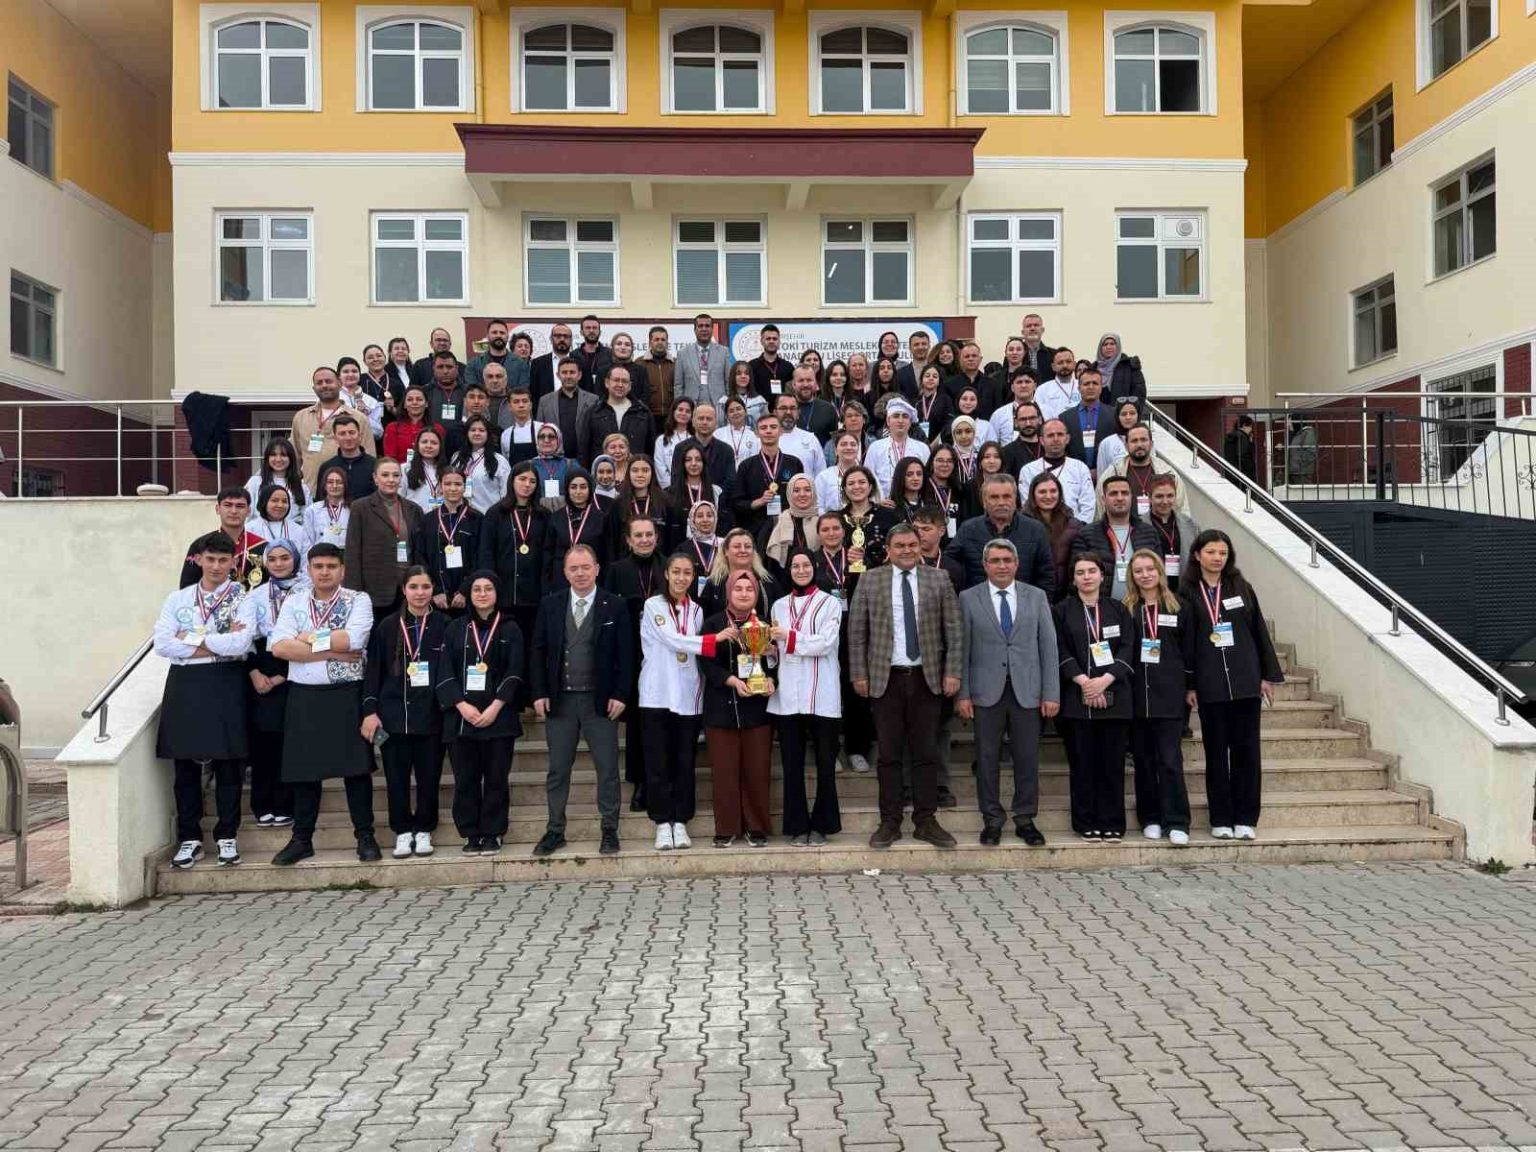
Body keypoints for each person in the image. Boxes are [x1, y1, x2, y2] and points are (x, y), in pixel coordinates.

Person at [847, 523, 964, 849]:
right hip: (886, 679)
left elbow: (954, 631)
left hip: (927, 678)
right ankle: (890, 821)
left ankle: (926, 820)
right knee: (888, 754)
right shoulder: (871, 579)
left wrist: (953, 672)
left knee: (926, 752)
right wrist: (859, 674)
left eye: (912, 544)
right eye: (899, 545)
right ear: (888, 549)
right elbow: (856, 632)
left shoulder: (939, 579)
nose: (907, 550)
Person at [268, 542, 378, 865]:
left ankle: (365, 836)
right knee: (305, 771)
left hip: (346, 693)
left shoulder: (358, 599)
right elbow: (279, 647)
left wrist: (306, 638)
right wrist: (331, 651)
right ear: (309, 570)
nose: (325, 572)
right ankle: (302, 839)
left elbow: (353, 640)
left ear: (342, 570)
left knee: (356, 770)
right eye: (318, 567)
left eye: (331, 566)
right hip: (304, 695)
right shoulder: (295, 600)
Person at [154, 532, 253, 869]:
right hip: (186, 683)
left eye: (223, 560)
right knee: (184, 765)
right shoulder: (177, 599)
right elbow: (163, 643)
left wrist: (191, 640)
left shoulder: (242, 598)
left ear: (233, 562)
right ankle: (190, 838)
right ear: (198, 560)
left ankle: (227, 835)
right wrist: (216, 642)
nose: (216, 566)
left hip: (226, 681)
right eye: (210, 559)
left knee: (229, 764)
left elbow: (240, 644)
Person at [1179, 529, 1285, 840]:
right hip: (1210, 684)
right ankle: (1221, 818)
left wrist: (1267, 676)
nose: (1217, 558)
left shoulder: (1241, 587)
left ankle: (1246, 818)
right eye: (1211, 552)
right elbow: (1185, 642)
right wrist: (1190, 684)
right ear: (1197, 555)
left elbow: (1258, 631)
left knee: (1247, 753)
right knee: (1216, 754)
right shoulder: (1186, 591)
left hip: (1245, 681)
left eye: (1223, 553)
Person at [530, 546, 633, 858]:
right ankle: (555, 830)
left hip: (599, 702)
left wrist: (621, 694)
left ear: (597, 569)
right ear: (565, 572)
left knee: (607, 769)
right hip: (561, 702)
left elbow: (627, 654)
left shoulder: (615, 605)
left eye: (585, 567)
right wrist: (539, 692)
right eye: (573, 568)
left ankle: (609, 830)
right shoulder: (550, 604)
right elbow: (538, 651)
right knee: (558, 770)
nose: (580, 573)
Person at [955, 538, 1059, 846]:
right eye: (995, 561)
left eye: (1007, 560)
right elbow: (963, 649)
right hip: (985, 692)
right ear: (985, 565)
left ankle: (1025, 819)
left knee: (1027, 757)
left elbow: (1048, 647)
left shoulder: (1036, 596)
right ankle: (992, 819)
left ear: (1016, 564)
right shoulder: (968, 598)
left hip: (1028, 690)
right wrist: (963, 693)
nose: (1001, 566)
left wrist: (1051, 693)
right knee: (986, 758)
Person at [362, 566, 450, 859]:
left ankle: (424, 828)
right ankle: (402, 830)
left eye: (425, 587)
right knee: (396, 778)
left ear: (433, 589)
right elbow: (373, 673)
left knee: (429, 776)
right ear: (404, 590)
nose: (420, 593)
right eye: (413, 587)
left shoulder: (446, 625)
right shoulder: (387, 626)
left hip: (432, 717)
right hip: (393, 717)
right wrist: (370, 710)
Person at [436, 571, 524, 855]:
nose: (483, 594)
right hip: (462, 718)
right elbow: (444, 672)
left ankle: (493, 832)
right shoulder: (455, 628)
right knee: (466, 780)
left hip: (499, 716)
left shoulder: (511, 628)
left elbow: (515, 671)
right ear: (470, 595)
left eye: (488, 588)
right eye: (477, 589)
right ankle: (470, 833)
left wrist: (496, 706)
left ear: (497, 593)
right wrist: (461, 705)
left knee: (497, 779)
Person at [637, 552, 715, 850]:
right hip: (657, 694)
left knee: (685, 761)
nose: (682, 578)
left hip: (687, 694)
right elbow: (672, 640)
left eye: (687, 573)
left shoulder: (697, 610)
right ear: (667, 574)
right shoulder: (653, 605)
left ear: (693, 577)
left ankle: (681, 821)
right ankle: (661, 822)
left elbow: (691, 651)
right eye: (677, 572)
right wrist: (713, 641)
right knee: (657, 762)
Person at [1054, 554, 1133, 841]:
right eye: (1080, 572)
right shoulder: (1061, 611)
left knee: (1112, 766)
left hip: (1116, 697)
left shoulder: (1119, 609)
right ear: (1073, 579)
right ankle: (1085, 822)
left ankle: (1112, 822)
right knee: (1082, 766)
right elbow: (1060, 649)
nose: (1086, 577)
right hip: (1077, 698)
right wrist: (1086, 683)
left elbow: (1128, 648)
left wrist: (1104, 681)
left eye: (1091, 571)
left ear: (1102, 575)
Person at [698, 571, 778, 848]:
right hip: (721, 708)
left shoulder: (764, 625)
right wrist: (731, 680)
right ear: (728, 593)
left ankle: (756, 826)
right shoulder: (713, 624)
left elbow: (775, 662)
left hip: (756, 709)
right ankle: (727, 827)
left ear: (756, 594)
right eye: (738, 589)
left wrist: (771, 680)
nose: (744, 594)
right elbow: (705, 663)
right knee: (724, 771)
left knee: (757, 770)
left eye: (749, 589)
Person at [769, 550, 842, 845]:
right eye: (795, 566)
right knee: (792, 764)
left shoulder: (830, 603)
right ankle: (797, 825)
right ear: (789, 570)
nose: (801, 570)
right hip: (788, 693)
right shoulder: (778, 605)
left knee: (825, 763)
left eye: (806, 565)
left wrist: (787, 638)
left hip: (822, 691)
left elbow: (825, 643)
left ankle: (823, 824)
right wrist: (769, 650)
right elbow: (776, 651)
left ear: (815, 567)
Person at [1124, 550, 1194, 846]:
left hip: (1170, 696)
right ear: (1131, 575)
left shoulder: (1179, 607)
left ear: (1160, 571)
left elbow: (1190, 651)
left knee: (1169, 760)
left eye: (1150, 569)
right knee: (1143, 761)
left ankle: (1177, 821)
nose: (1145, 575)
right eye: (1138, 570)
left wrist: (1191, 687)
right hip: (1137, 696)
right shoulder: (1127, 609)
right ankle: (1150, 818)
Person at [239, 538, 304, 830]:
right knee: (263, 743)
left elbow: (311, 637)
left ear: (295, 560)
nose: (278, 564)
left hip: (295, 671)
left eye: (285, 558)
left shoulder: (307, 592)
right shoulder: (255, 595)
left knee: (289, 743)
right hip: (261, 675)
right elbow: (246, 638)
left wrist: (283, 675)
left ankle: (285, 804)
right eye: (273, 559)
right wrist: (254, 672)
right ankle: (262, 804)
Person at [603, 515, 667, 810]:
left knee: (662, 719)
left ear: (656, 537)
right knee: (638, 723)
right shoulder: (616, 570)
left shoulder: (669, 566)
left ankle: (663, 780)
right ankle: (640, 782)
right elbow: (608, 613)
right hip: (631, 653)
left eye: (649, 534)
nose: (644, 540)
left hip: (664, 653)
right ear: (628, 540)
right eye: (638, 535)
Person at [478, 460, 549, 688]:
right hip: (504, 596)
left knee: (531, 648)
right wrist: (490, 590)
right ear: (512, 481)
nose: (527, 485)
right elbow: (486, 553)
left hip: (534, 597)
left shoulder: (543, 515)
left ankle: (530, 695)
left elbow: (547, 556)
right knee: (504, 648)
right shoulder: (495, 513)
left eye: (532, 481)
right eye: (522, 479)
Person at [945, 473, 1054, 595]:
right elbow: (949, 562)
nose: (1001, 502)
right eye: (994, 497)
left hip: (1025, 603)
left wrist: (1039, 603)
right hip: (979, 602)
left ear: (1015, 499)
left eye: (1007, 496)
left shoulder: (1035, 530)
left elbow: (1046, 575)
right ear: (984, 502)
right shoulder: (968, 529)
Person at [344, 456, 423, 617]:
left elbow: (420, 550)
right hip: (375, 590)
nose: (391, 480)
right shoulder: (361, 507)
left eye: (396, 475)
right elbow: (353, 552)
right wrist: (354, 593)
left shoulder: (413, 509)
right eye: (385, 475)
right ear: (375, 478)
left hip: (408, 588)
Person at [293, 366, 377, 490]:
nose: (324, 385)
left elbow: (369, 458)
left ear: (340, 384)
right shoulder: (301, 417)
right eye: (319, 383)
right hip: (311, 491)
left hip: (348, 493)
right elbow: (294, 457)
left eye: (328, 381)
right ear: (314, 388)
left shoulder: (358, 418)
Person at [1077, 476, 1161, 600]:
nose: (1120, 498)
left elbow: (1160, 572)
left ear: (1131, 497)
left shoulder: (1149, 532)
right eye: (1113, 494)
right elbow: (1077, 576)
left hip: (1142, 606)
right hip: (1103, 607)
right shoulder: (1086, 534)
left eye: (1125, 493)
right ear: (1103, 499)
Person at [413, 465, 481, 616]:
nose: (453, 488)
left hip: (468, 597)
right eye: (447, 484)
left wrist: (465, 591)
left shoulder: (477, 519)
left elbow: (480, 558)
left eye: (458, 484)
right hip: (436, 599)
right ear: (440, 487)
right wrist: (435, 590)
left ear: (465, 487)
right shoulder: (428, 520)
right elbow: (421, 557)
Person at [178, 487, 268, 590]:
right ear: (218, 509)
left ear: (248, 511)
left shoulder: (263, 547)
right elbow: (187, 587)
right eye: (228, 505)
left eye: (240, 506)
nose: (234, 511)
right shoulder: (200, 545)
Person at [732, 413, 803, 536]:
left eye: (773, 427)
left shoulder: (794, 463)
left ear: (781, 431)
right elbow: (737, 503)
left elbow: (803, 496)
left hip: (789, 528)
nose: (768, 431)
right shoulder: (746, 466)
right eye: (763, 428)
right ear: (756, 433)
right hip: (756, 530)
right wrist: (759, 501)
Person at [1020, 419, 1097, 524]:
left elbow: (1088, 505)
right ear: (1041, 440)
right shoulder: (1028, 470)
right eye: (1050, 435)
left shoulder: (1080, 468)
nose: (1056, 439)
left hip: (1075, 529)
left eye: (1060, 434)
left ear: (1067, 438)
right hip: (1038, 528)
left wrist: (1076, 529)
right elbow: (1028, 505)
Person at [1021, 472, 1083, 601]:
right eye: (1042, 492)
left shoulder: (1074, 525)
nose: (1048, 496)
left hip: (1065, 597)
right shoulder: (1022, 524)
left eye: (1053, 491)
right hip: (1031, 596)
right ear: (1033, 494)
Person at [545, 468, 607, 589]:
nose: (578, 491)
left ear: (590, 489)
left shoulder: (601, 518)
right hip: (561, 582)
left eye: (583, 487)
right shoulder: (556, 518)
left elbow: (606, 556)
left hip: (592, 581)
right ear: (567, 490)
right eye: (573, 487)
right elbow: (548, 554)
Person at [699, 527, 780, 619]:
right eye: (737, 546)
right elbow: (705, 619)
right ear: (726, 551)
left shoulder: (768, 581)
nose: (743, 550)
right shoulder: (714, 584)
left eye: (747, 546)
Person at [536, 357, 600, 465]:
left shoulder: (593, 400)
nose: (568, 376)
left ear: (579, 375)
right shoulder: (545, 401)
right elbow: (540, 432)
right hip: (554, 461)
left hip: (585, 461)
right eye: (564, 372)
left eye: (572, 372)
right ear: (558, 375)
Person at [589, 364, 653, 468]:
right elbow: (585, 447)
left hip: (634, 473)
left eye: (624, 381)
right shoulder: (594, 412)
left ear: (630, 386)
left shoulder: (643, 412)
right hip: (603, 473)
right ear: (607, 383)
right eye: (616, 380)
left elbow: (650, 448)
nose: (620, 384)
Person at [837, 466, 898, 574]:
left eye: (862, 482)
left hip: (881, 576)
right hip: (844, 577)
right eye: (851, 483)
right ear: (845, 489)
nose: (856, 486)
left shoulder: (889, 515)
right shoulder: (837, 518)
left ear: (870, 486)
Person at [865, 399, 929, 498]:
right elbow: (868, 478)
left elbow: (927, 478)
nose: (900, 420)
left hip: (913, 502)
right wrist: (879, 501)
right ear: (888, 421)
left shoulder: (922, 448)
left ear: (910, 422)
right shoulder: (875, 448)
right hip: (884, 502)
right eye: (896, 416)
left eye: (905, 416)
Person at [759, 474, 819, 579]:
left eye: (807, 490)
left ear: (813, 493)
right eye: (796, 490)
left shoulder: (823, 522)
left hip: (816, 581)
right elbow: (767, 560)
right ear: (789, 493)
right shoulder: (777, 521)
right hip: (783, 582)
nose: (802, 494)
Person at [1062, 368, 1119, 474]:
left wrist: (1101, 470)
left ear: (1101, 387)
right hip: (1074, 474)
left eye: (1095, 383)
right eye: (1086, 384)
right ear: (1079, 388)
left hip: (1108, 474)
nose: (1091, 387)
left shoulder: (1114, 415)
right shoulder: (1065, 418)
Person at [1144, 474, 1199, 584]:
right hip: (1151, 586)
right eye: (1159, 496)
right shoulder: (1138, 525)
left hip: (1184, 587)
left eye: (1170, 496)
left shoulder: (1191, 525)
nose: (1165, 501)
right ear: (1149, 497)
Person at [451, 415, 510, 514]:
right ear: (467, 433)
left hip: (488, 515)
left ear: (488, 434)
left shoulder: (499, 461)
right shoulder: (456, 458)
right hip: (461, 516)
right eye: (473, 430)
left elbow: (506, 493)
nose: (477, 433)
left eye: (481, 430)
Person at [244, 438, 312, 517]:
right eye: (273, 455)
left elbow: (307, 517)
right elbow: (246, 513)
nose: (278, 459)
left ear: (291, 458)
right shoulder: (255, 482)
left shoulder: (302, 487)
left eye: (283, 455)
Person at [317, 413, 377, 502]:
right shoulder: (327, 467)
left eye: (352, 432)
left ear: (359, 436)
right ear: (335, 438)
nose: (348, 437)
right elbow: (321, 500)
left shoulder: (375, 465)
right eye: (342, 434)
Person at [383, 386, 444, 465]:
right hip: (399, 471)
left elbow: (440, 458)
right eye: (410, 400)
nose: (414, 402)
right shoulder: (392, 428)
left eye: (419, 399)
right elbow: (390, 459)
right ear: (404, 404)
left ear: (426, 404)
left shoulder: (437, 428)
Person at [467, 318, 531, 392]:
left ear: (507, 336)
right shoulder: (473, 364)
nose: (498, 335)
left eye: (502, 333)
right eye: (494, 332)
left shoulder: (521, 364)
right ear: (487, 336)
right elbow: (472, 392)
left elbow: (522, 392)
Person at [676, 312, 728, 403]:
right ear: (695, 330)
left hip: (717, 404)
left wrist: (727, 402)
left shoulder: (723, 352)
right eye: (700, 326)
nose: (704, 329)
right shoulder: (683, 353)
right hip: (691, 405)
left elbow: (728, 381)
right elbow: (678, 385)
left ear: (712, 329)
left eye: (707, 326)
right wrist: (679, 405)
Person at [774, 392, 826, 479]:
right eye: (783, 408)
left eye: (792, 408)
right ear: (775, 413)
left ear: (798, 413)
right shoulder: (765, 439)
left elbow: (821, 474)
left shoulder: (810, 439)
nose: (788, 412)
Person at [337, 356, 385, 443]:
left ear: (359, 374)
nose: (350, 374)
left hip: (364, 446)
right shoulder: (333, 399)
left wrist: (364, 417)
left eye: (354, 371)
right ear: (339, 376)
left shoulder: (371, 401)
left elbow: (379, 433)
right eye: (345, 371)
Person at [305, 465, 352, 555]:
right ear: (324, 485)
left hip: (347, 557)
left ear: (345, 486)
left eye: (339, 482)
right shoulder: (312, 511)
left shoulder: (353, 510)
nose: (334, 486)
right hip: (320, 557)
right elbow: (308, 541)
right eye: (330, 482)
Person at [247, 484, 305, 550]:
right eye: (274, 500)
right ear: (264, 502)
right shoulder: (249, 529)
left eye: (284, 501)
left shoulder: (299, 530)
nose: (280, 505)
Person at [817, 431, 863, 514]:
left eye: (853, 444)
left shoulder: (867, 475)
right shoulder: (824, 476)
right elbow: (818, 506)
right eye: (843, 444)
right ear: (835, 450)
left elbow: (876, 500)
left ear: (858, 450)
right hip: (831, 520)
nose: (849, 447)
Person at [637, 326, 676, 424]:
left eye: (663, 339)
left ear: (667, 342)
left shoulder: (675, 363)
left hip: (671, 416)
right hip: (647, 415)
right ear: (650, 342)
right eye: (656, 339)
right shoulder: (639, 363)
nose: (660, 342)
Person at [653, 398, 695, 488]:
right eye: (680, 410)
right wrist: (672, 487)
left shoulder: (695, 438)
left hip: (693, 487)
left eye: (688, 411)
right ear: (673, 412)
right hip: (670, 488)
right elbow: (660, 467)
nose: (683, 413)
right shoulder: (661, 440)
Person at [1096, 333, 1147, 407]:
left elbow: (1139, 394)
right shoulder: (1094, 368)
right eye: (1105, 344)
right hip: (1097, 413)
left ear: (1118, 346)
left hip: (1122, 412)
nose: (1108, 347)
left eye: (1112, 344)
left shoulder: (1129, 366)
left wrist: (1132, 411)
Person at [748, 322, 795, 401]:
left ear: (779, 341)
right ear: (761, 341)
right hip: (760, 408)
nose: (771, 341)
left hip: (783, 408)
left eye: (774, 339)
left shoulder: (788, 367)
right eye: (768, 339)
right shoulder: (751, 366)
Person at [403, 428, 446, 512]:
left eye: (434, 443)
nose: (428, 446)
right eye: (424, 442)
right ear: (417, 445)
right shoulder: (405, 469)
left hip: (440, 517)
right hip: (414, 517)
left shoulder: (446, 471)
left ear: (440, 447)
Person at [529, 322, 574, 403]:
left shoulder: (581, 362)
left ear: (571, 340)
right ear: (551, 339)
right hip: (546, 409)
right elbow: (533, 393)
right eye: (558, 336)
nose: (562, 339)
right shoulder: (538, 363)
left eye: (566, 336)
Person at [570, 314, 613, 396]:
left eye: (594, 328)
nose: (591, 330)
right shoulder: (573, 356)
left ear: (600, 332)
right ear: (581, 332)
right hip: (581, 400)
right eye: (588, 328)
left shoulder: (610, 354)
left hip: (604, 400)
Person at [497, 389, 542, 466]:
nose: (521, 405)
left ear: (531, 405)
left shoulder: (542, 429)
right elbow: (505, 463)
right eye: (516, 402)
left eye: (525, 401)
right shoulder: (506, 434)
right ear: (509, 407)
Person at [1035, 348, 1080, 423]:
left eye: (1068, 362)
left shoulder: (1083, 385)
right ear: (1053, 366)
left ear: (1074, 364)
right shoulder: (1042, 390)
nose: (1065, 365)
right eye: (1060, 363)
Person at [727, 361, 768, 427]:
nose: (743, 376)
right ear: (733, 377)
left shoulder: (760, 401)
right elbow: (720, 425)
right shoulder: (724, 401)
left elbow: (766, 423)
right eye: (739, 373)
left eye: (746, 373)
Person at [1018, 313, 1056, 383]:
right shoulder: (1015, 355)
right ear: (1023, 332)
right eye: (1028, 326)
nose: (1032, 328)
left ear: (1042, 330)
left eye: (1036, 325)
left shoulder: (1053, 355)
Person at [1223, 414, 1259, 483]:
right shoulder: (1242, 437)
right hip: (1243, 474)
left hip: (1231, 472)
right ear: (1244, 425)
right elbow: (1243, 454)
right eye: (1250, 426)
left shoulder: (1231, 437)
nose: (1251, 429)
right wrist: (1251, 469)